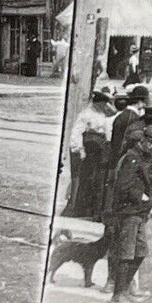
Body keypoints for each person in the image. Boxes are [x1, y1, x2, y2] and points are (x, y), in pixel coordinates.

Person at [106, 104, 152, 303]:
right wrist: (140, 196)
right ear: (143, 140)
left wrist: (149, 204)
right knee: (126, 252)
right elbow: (123, 186)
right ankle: (118, 296)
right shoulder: (132, 157)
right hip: (129, 211)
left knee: (140, 252)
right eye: (151, 142)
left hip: (140, 212)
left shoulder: (146, 155)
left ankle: (124, 289)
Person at [64, 87, 114, 218]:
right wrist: (80, 150)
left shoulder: (102, 113)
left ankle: (91, 210)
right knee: (86, 180)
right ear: (97, 103)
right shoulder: (86, 114)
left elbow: (112, 114)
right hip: (89, 149)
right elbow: (76, 133)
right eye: (103, 103)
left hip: (99, 149)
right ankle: (79, 209)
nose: (105, 106)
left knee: (95, 180)